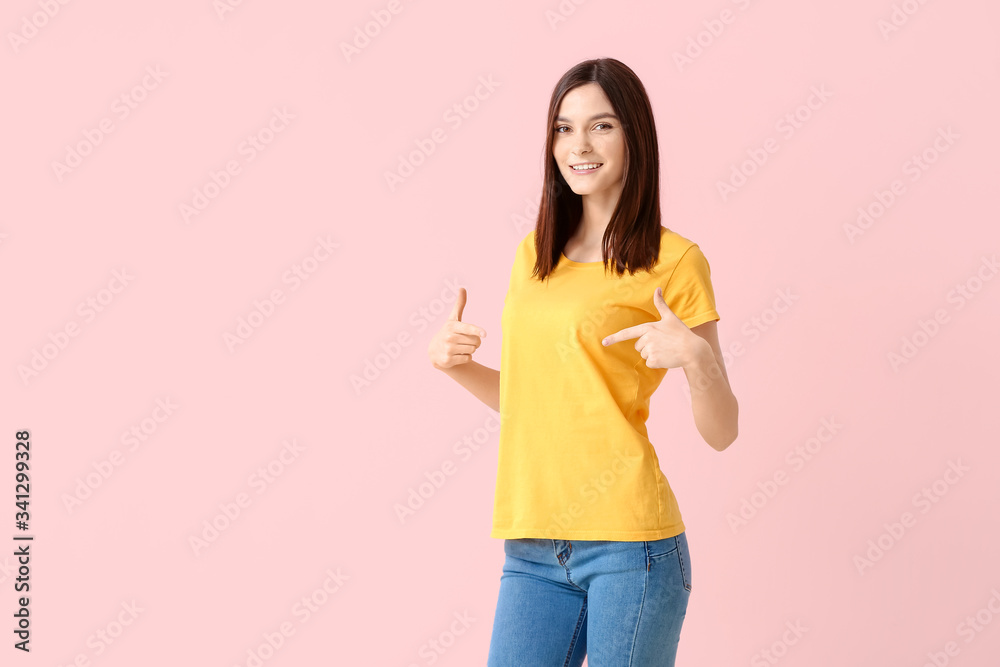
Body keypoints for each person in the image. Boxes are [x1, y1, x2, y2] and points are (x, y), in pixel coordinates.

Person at [427, 57, 739, 667]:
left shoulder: (675, 262)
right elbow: (535, 402)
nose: (579, 145)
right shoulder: (534, 256)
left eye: (601, 126)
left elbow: (723, 432)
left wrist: (697, 360)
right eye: (563, 128)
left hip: (630, 548)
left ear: (634, 137)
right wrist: (456, 366)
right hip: (532, 546)